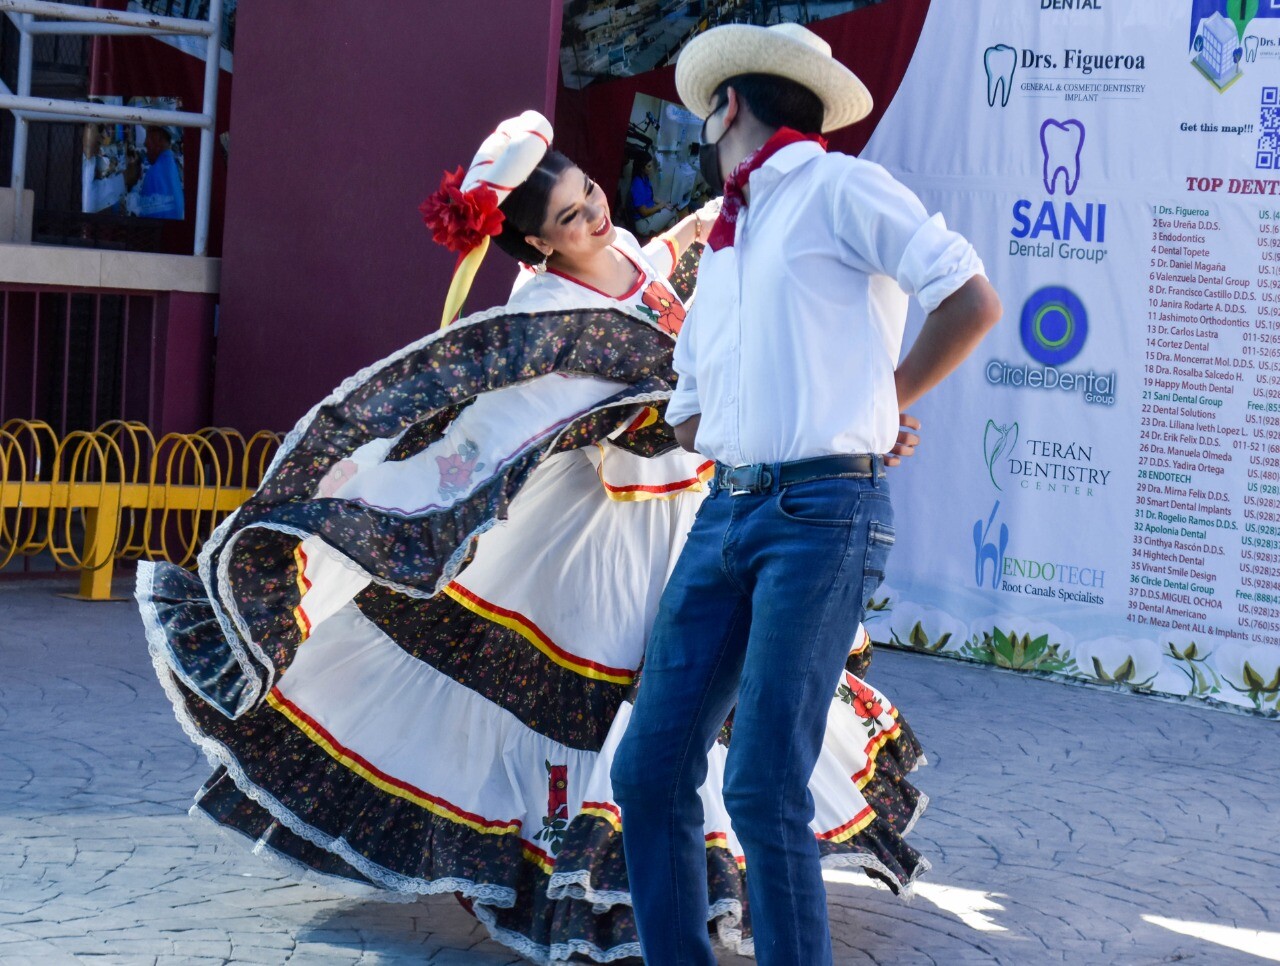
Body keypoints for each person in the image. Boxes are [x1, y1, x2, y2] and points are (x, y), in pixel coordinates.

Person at [136, 110, 930, 963]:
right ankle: (605, 895)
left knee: (713, 705)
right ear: (538, 248)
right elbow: (483, 434)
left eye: (589, 194)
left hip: (696, 510)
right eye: (570, 218)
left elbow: (667, 263)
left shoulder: (625, 249)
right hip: (606, 541)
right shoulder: (543, 318)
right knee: (628, 710)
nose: (593, 215)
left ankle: (712, 881)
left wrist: (725, 236)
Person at [611, 23, 1003, 966]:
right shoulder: (729, 242)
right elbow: (695, 414)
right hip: (729, 507)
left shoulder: (839, 187)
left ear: (728, 107)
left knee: (761, 785)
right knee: (650, 768)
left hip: (823, 511)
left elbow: (972, 298)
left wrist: (876, 402)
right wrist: (819, 403)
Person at [134, 126, 184, 220]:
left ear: (158, 137)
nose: (145, 143)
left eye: (147, 135)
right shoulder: (171, 166)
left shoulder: (155, 173)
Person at [628, 154, 677, 237]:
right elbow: (644, 212)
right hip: (643, 223)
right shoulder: (637, 184)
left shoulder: (645, 178)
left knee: (670, 211)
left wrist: (664, 204)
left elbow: (651, 196)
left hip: (650, 215)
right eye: (649, 166)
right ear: (642, 168)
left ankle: (669, 240)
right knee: (672, 213)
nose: (651, 169)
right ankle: (671, 240)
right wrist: (660, 206)